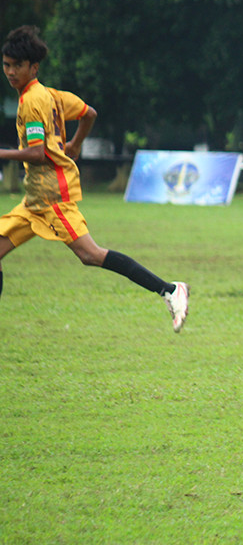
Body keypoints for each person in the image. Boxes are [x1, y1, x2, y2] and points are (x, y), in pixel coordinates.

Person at [0, 26, 189, 332]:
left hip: (52, 198)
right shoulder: (54, 96)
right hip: (34, 200)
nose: (10, 72)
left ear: (33, 67)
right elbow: (89, 113)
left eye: (16, 66)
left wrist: (3, 153)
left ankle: (169, 289)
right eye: (6, 64)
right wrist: (75, 144)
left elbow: (36, 154)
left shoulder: (32, 102)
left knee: (91, 255)